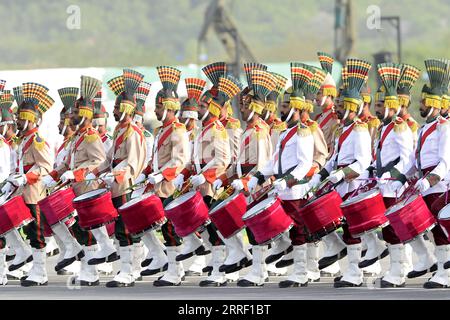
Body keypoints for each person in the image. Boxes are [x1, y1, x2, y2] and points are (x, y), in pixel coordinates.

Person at [310, 58, 373, 288]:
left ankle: (355, 274)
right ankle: (351, 270)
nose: (336, 108)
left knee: (352, 228)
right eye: (336, 104)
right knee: (342, 225)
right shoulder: (341, 129)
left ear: (352, 107)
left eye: (341, 105)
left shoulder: (360, 131)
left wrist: (342, 174)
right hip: (339, 182)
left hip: (353, 184)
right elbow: (335, 156)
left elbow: (363, 161)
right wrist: (323, 173)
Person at [45, 76, 107, 286]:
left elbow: (99, 161)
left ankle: (92, 272)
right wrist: (52, 176)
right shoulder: (77, 138)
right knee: (83, 229)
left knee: (89, 230)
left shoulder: (91, 136)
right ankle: (87, 269)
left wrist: (77, 173)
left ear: (84, 116)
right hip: (77, 188)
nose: (70, 117)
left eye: (74, 114)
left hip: (87, 188)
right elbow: (67, 164)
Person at [92, 69, 147, 287]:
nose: (113, 111)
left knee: (124, 229)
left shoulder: (133, 132)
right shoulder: (119, 129)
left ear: (125, 109)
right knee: (122, 228)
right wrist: (95, 172)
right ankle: (130, 269)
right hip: (116, 184)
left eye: (116, 107)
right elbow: (110, 158)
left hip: (125, 186)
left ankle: (127, 271)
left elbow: (132, 162)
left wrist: (113, 175)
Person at [139, 66, 189, 286]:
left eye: (159, 107)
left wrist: (161, 176)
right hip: (158, 185)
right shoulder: (161, 130)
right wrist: (147, 173)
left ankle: (175, 272)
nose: (156, 111)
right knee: (157, 226)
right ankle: (168, 266)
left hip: (168, 186)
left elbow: (180, 160)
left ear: (169, 107)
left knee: (169, 229)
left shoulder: (178, 130)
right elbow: (157, 158)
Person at [1, 82, 54, 286]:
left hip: (34, 193)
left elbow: (45, 166)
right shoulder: (23, 140)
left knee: (36, 232)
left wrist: (26, 178)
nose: (18, 120)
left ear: (31, 119)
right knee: (27, 230)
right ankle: (33, 267)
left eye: (22, 117)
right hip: (22, 192)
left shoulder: (37, 140)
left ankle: (40, 272)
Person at [409, 59, 450, 289]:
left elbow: (445, 162)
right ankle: (441, 270)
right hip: (427, 184)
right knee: (435, 231)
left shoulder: (445, 127)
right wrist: (407, 176)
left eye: (424, 102)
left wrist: (428, 182)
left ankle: (444, 275)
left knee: (443, 231)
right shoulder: (426, 127)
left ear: (435, 103)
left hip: (440, 186)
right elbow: (418, 159)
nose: (421, 105)